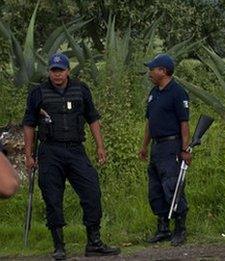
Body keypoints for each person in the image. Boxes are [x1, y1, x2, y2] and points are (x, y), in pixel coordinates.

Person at [22, 53, 120, 260]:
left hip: (76, 150)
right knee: (52, 197)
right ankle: (59, 245)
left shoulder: (81, 89)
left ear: (68, 71)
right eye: (53, 71)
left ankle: (94, 242)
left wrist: (100, 146)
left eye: (61, 70)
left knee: (92, 190)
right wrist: (28, 154)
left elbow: (92, 119)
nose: (57, 75)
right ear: (49, 71)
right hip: (50, 151)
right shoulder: (38, 93)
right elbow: (29, 124)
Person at [138, 53, 191, 246]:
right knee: (156, 189)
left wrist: (185, 149)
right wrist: (144, 146)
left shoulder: (177, 92)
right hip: (156, 146)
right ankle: (163, 228)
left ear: (163, 71)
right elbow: (150, 122)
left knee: (172, 187)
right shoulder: (154, 93)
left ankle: (180, 228)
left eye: (152, 69)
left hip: (172, 145)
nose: (149, 72)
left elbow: (184, 124)